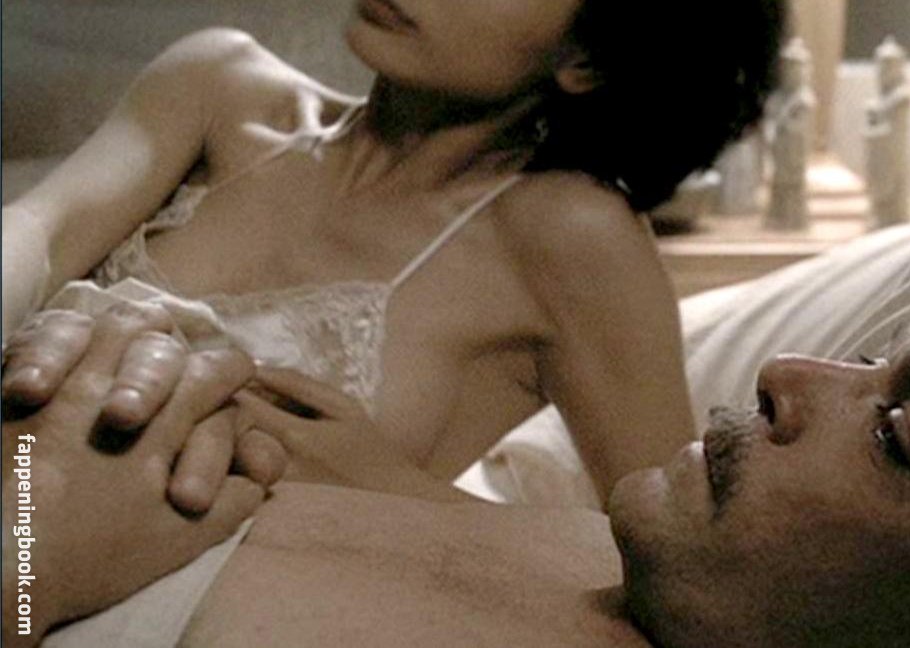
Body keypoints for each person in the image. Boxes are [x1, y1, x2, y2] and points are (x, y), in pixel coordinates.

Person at [4, 246, 910, 646]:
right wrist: (142, 354)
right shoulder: (630, 562)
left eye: (895, 432)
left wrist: (28, 552)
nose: (790, 375)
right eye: (869, 360)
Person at [0, 0, 785, 506]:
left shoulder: (571, 235)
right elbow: (33, 234)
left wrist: (398, 494)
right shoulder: (218, 87)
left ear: (587, 60)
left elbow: (682, 558)